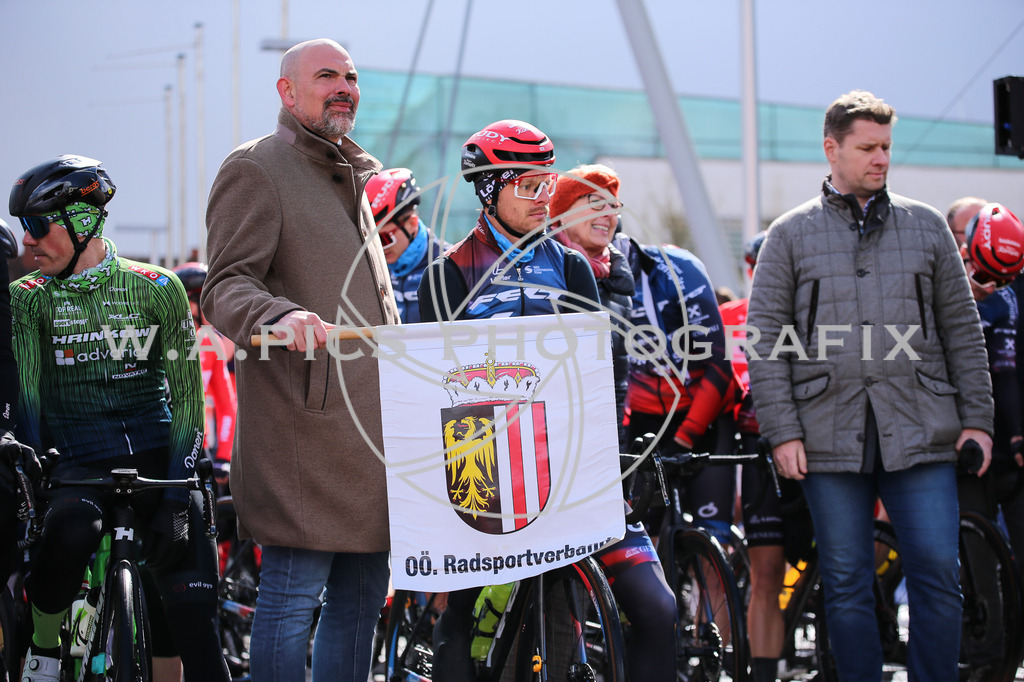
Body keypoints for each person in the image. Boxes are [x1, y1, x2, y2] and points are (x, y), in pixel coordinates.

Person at [747, 90, 994, 682]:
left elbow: (963, 330)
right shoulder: (788, 235)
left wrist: (978, 422)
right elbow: (764, 343)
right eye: (867, 148)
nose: (881, 159)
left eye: (886, 146)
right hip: (826, 434)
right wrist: (782, 431)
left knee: (937, 570)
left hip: (922, 430)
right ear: (832, 149)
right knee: (846, 579)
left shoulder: (927, 227)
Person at [202, 38, 399, 682]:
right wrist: (279, 316)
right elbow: (225, 286)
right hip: (304, 431)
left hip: (371, 434)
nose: (344, 85)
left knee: (363, 600)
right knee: (291, 601)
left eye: (350, 76)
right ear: (287, 92)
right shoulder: (256, 168)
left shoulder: (349, 173)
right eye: (326, 76)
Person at [8, 155, 228, 682]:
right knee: (71, 532)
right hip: (77, 465)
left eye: (37, 227)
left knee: (195, 622)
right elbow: (30, 403)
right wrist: (39, 476)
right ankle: (42, 654)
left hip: (160, 465)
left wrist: (178, 497)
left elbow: (187, 402)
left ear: (82, 223)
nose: (27, 244)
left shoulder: (158, 287)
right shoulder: (28, 299)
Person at [417, 119, 605, 679]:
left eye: (549, 183)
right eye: (529, 186)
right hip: (478, 460)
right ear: (488, 190)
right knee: (467, 616)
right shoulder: (448, 274)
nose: (545, 198)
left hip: (558, 457)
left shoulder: (572, 266)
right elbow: (431, 382)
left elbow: (600, 368)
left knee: (573, 609)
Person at [547, 162, 677, 681]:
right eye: (592, 202)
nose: (608, 214)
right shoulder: (536, 270)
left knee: (658, 607)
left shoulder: (618, 276)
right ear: (558, 214)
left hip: (603, 475)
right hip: (538, 475)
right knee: (562, 624)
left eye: (613, 204)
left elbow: (614, 387)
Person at [172, 262, 236, 475]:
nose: (214, 306)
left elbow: (227, 406)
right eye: (206, 299)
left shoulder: (211, 344)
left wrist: (223, 457)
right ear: (188, 303)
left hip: (201, 444)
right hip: (165, 443)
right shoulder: (157, 342)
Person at [365, 167, 448, 323]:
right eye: (373, 241)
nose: (380, 249)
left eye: (385, 239)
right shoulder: (373, 268)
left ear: (411, 224)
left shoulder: (451, 264)